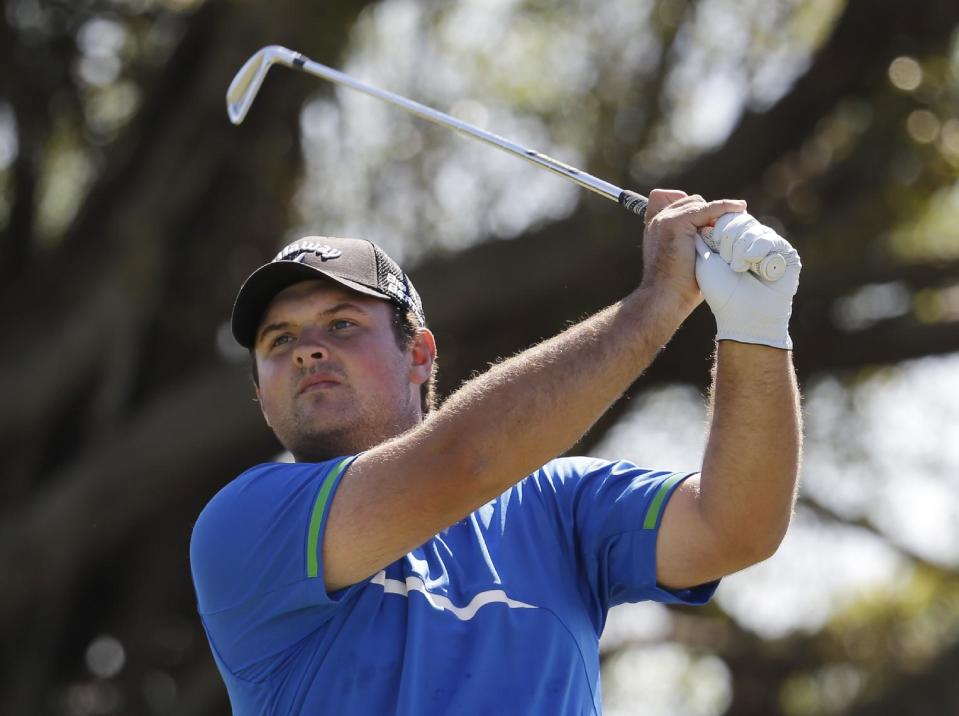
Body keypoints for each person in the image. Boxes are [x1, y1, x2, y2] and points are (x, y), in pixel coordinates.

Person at [190, 189, 803, 715]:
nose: (307, 349)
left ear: (420, 355)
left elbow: (736, 529)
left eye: (342, 324)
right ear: (258, 391)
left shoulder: (558, 506)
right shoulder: (243, 523)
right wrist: (658, 302)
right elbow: (456, 464)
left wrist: (755, 333)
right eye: (280, 339)